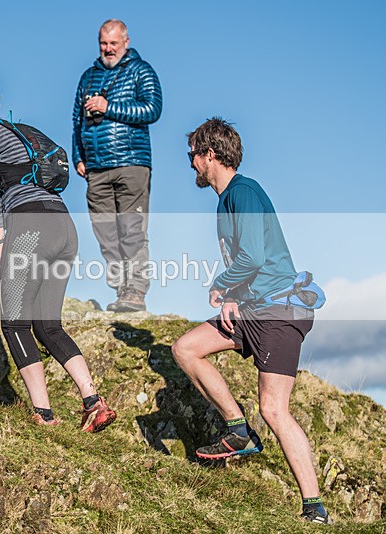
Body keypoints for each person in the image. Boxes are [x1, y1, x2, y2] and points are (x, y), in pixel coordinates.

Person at [171, 118, 332, 524]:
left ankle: (314, 508)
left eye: (192, 154)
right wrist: (233, 297)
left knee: (275, 409)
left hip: (278, 312)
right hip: (253, 308)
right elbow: (251, 264)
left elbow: (255, 257)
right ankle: (238, 430)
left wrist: (222, 287)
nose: (190, 163)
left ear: (210, 154)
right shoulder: (227, 199)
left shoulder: (243, 192)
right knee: (186, 348)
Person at [0, 70, 116, 431]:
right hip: (64, 227)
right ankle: (93, 401)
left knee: (13, 322)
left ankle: (43, 414)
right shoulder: (15, 129)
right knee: (47, 324)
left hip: (30, 227)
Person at [72, 19, 162, 313]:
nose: (108, 49)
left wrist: (108, 107)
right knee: (105, 231)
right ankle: (120, 287)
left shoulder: (141, 70)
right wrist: (78, 157)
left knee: (132, 229)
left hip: (132, 162)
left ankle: (135, 291)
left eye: (113, 43)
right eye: (103, 43)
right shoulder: (87, 77)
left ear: (126, 41)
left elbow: (153, 109)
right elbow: (76, 121)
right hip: (96, 167)